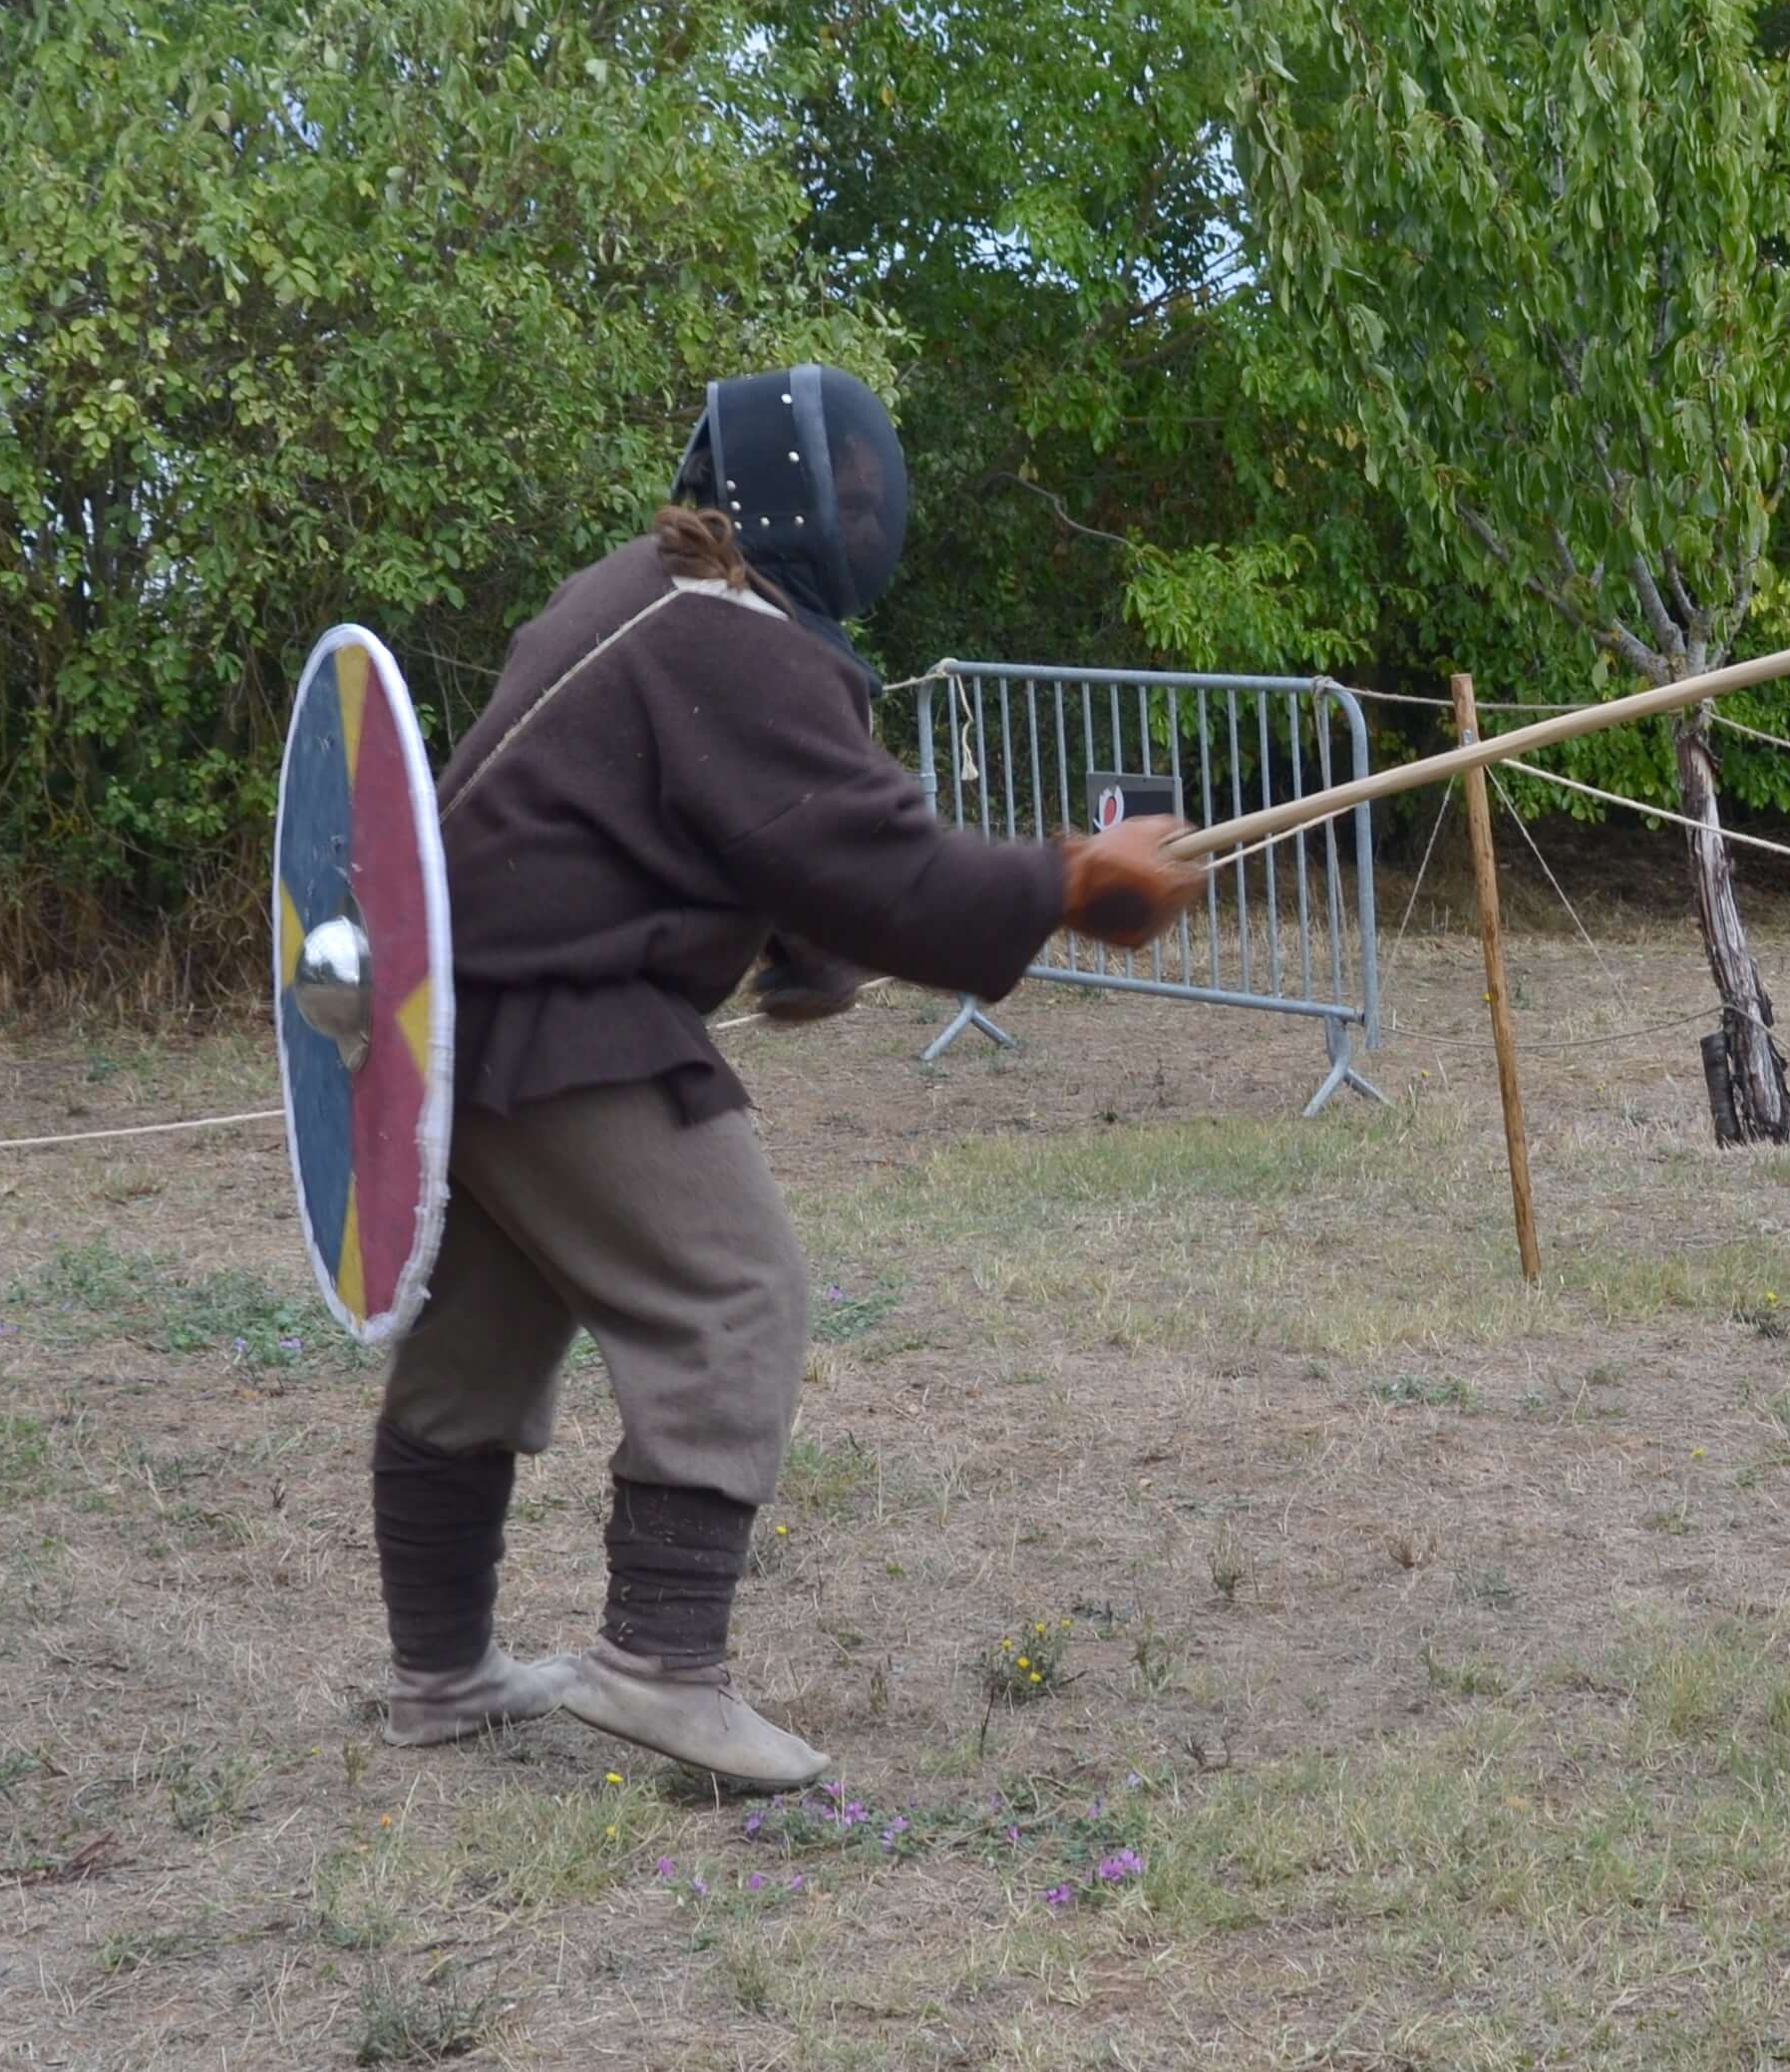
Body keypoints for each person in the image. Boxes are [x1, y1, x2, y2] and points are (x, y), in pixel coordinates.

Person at [366, 364, 1204, 1788]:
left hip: (465, 1025)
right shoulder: (723, 630)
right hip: (565, 1021)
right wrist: (1067, 879)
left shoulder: (644, 592)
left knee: (480, 1342)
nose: (865, 514)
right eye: (848, 490)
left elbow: (718, 824)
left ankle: (440, 1676)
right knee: (734, 1292)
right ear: (787, 496)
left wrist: (808, 942)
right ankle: (658, 1663)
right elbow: (871, 853)